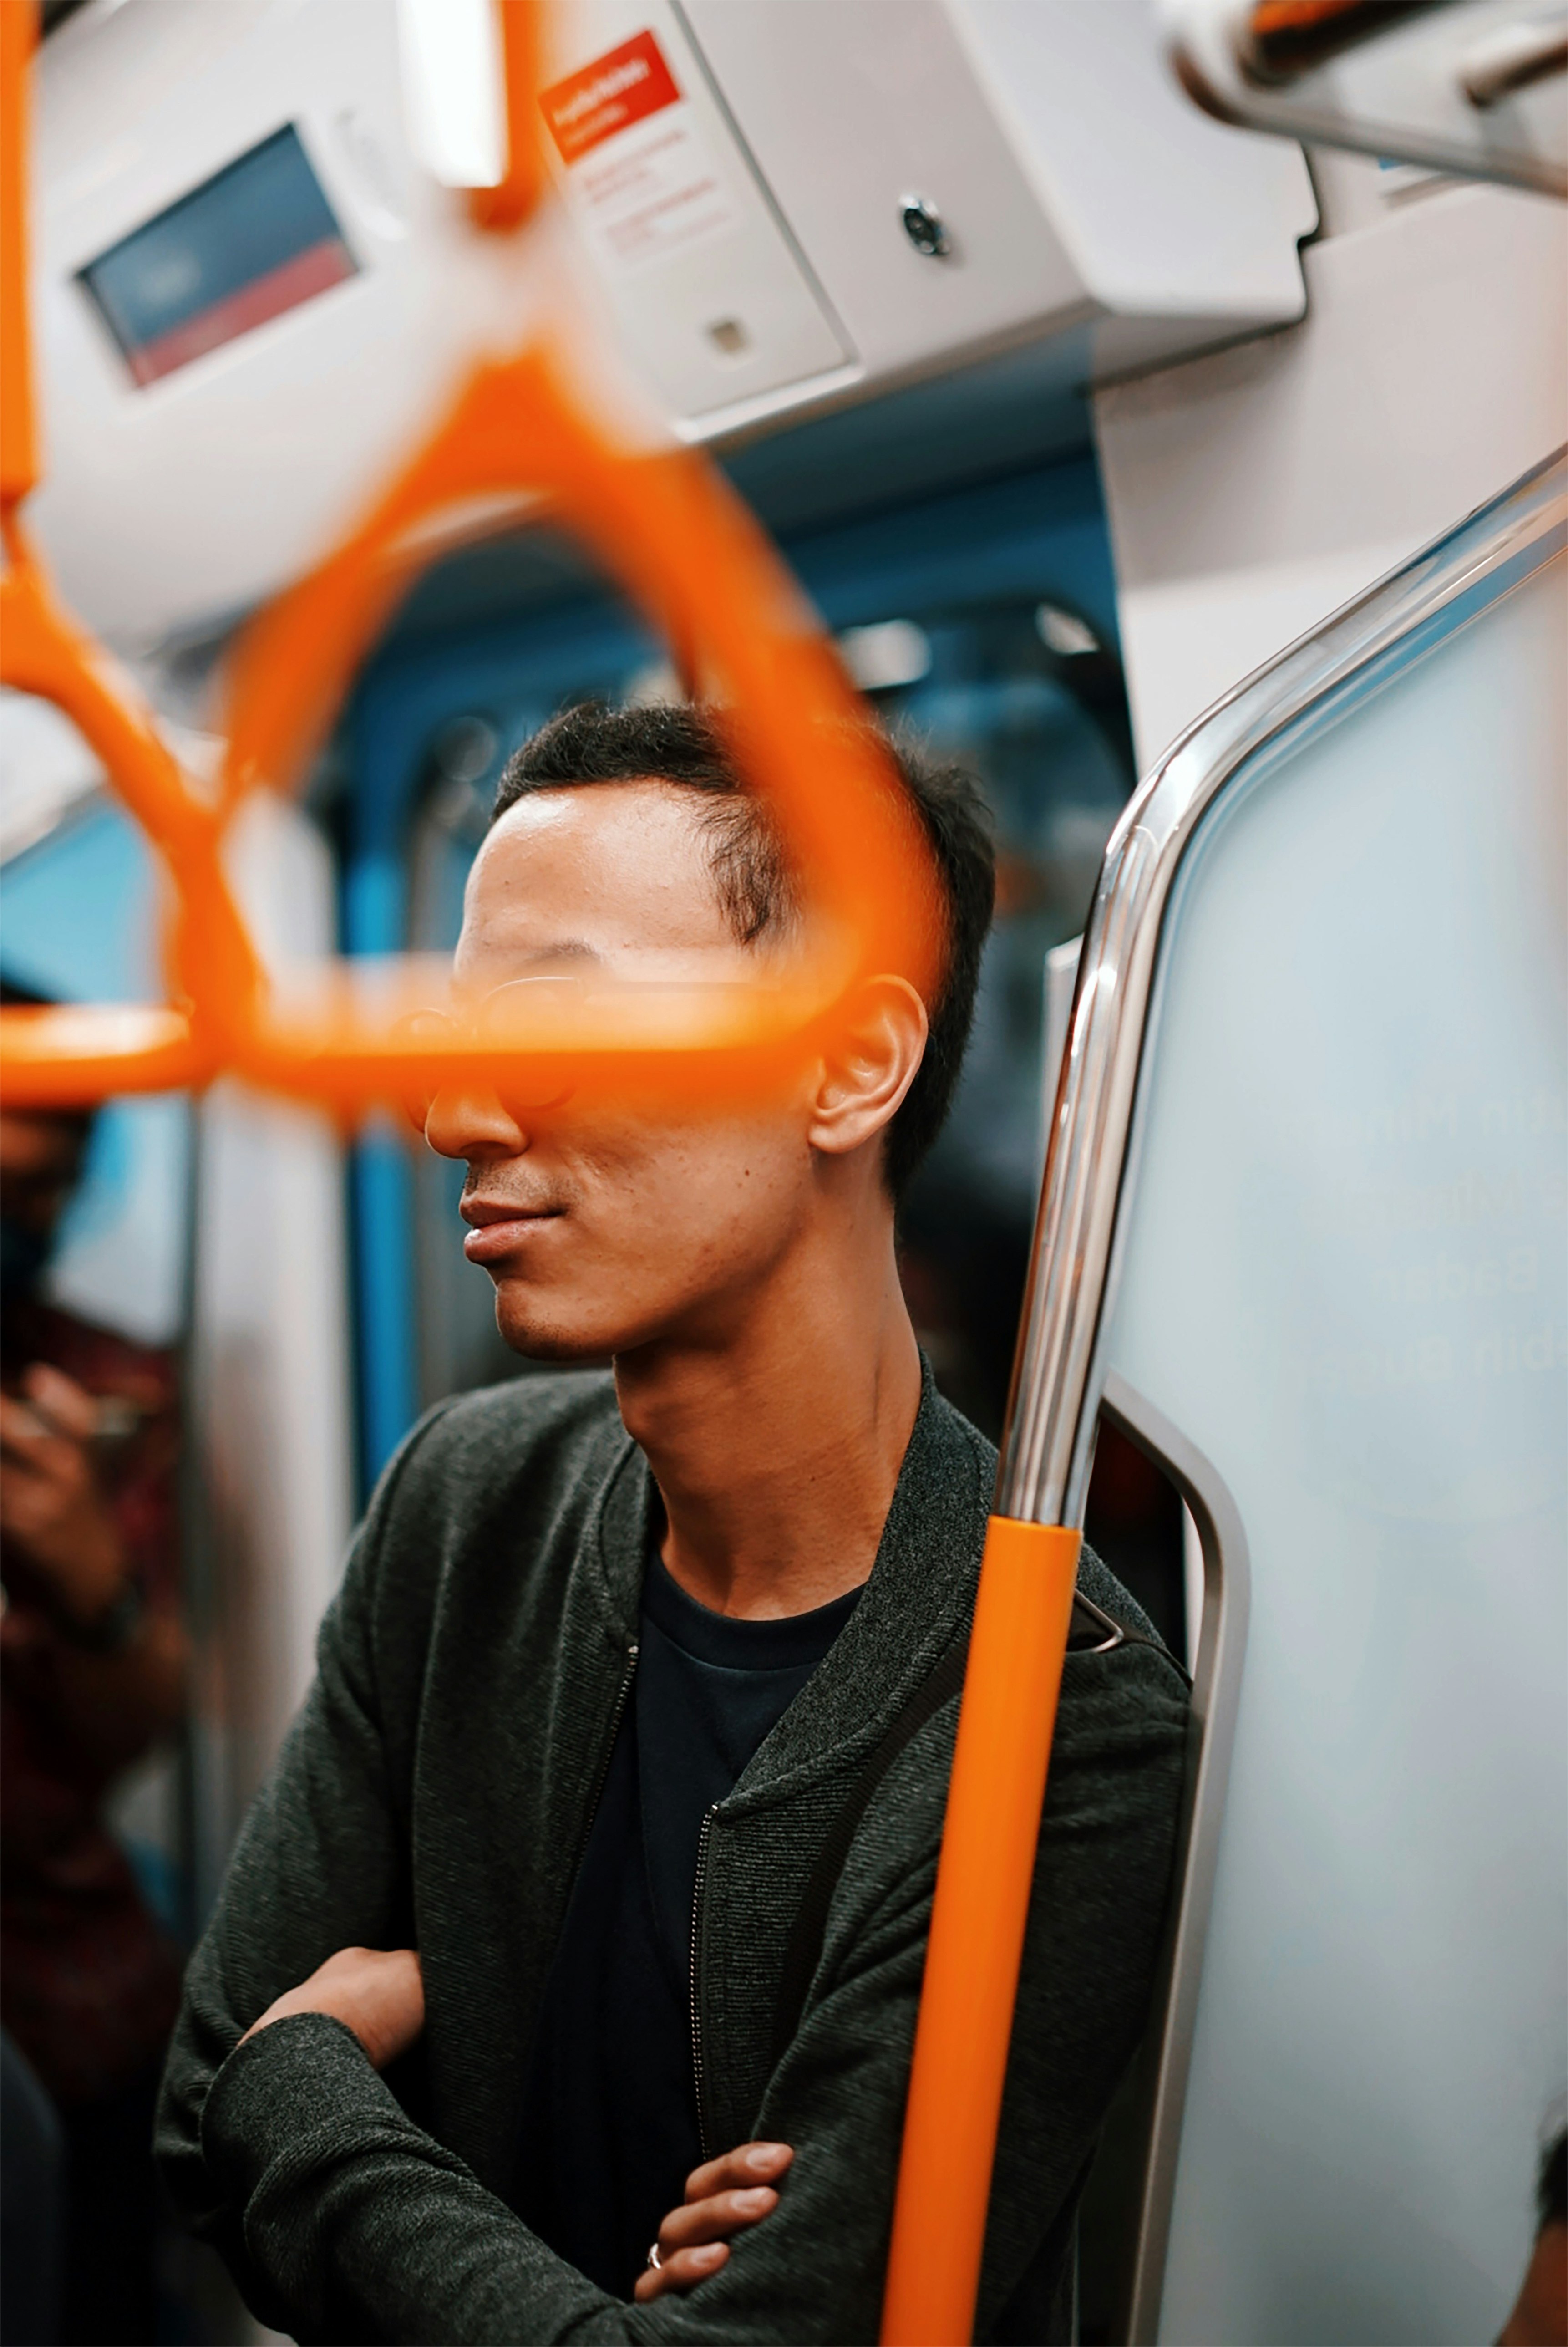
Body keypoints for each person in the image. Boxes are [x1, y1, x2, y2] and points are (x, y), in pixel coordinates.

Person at [156, 705, 1190, 2343]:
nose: (458, 1121)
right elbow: (190, 2107)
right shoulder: (467, 1503)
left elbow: (254, 2078)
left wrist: (308, 2087)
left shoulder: (1059, 1708)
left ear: (850, 1063)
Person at [0, 981, 188, 2346]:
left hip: (61, 1974)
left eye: (43, 1195)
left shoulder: (106, 1397)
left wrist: (87, 1584)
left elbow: (145, 1722)